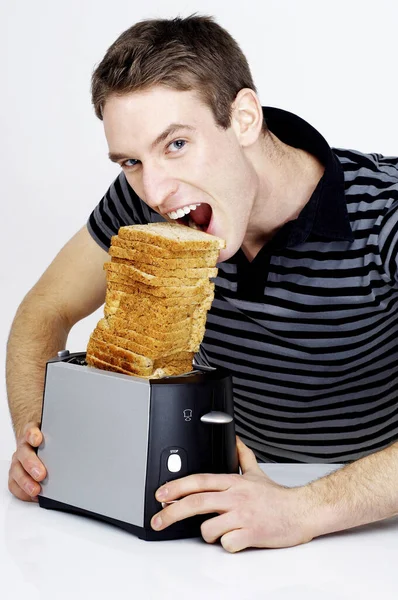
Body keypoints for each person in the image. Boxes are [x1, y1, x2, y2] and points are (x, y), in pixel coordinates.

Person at [6, 15, 398, 553]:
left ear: (243, 118)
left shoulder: (386, 216)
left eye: (176, 144)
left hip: (372, 519)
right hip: (224, 508)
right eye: (130, 160)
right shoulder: (148, 203)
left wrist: (305, 507)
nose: (157, 190)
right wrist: (36, 435)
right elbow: (46, 308)